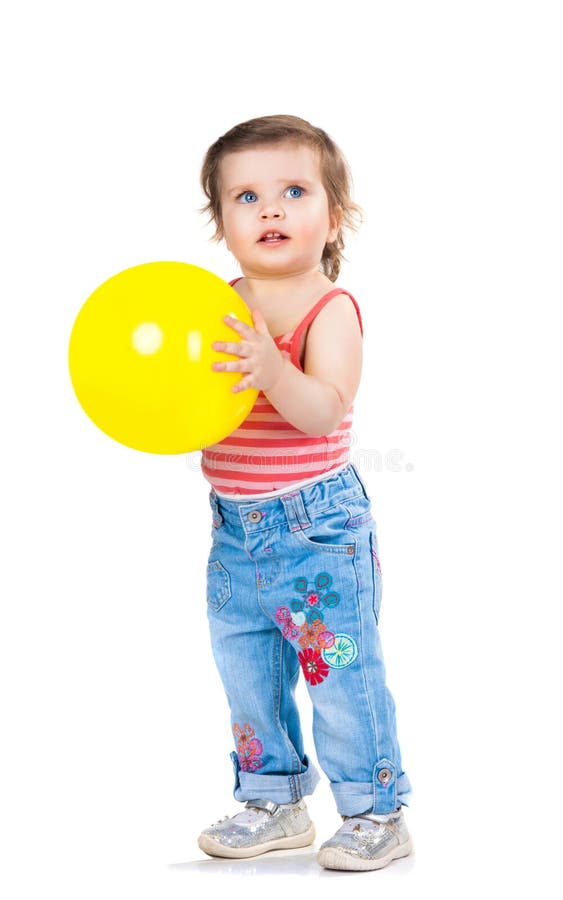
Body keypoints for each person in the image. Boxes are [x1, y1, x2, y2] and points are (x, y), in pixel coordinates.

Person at [195, 114, 413, 872]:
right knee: (246, 667)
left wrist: (271, 370)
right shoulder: (211, 303)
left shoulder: (330, 309)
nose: (271, 210)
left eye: (293, 190)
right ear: (220, 221)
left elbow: (325, 408)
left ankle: (377, 808)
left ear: (336, 215)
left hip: (315, 528)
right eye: (246, 197)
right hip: (234, 528)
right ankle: (274, 797)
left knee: (341, 671)